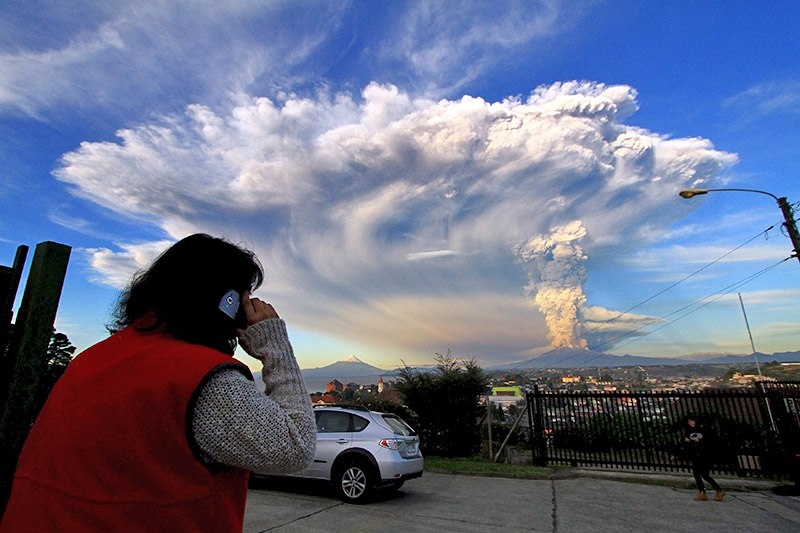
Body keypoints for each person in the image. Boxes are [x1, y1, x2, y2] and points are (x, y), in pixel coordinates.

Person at [0, 233, 316, 531]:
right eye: (244, 297)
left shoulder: (91, 360)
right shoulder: (205, 379)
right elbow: (297, 446)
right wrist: (275, 344)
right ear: (228, 303)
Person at [684, 415, 725, 501]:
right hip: (696, 455)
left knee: (705, 475)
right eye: (689, 421)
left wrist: (697, 441)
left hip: (706, 455)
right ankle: (702, 492)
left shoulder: (703, 429)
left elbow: (708, 441)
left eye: (692, 421)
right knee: (696, 473)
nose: (690, 423)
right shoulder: (689, 430)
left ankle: (718, 490)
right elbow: (687, 439)